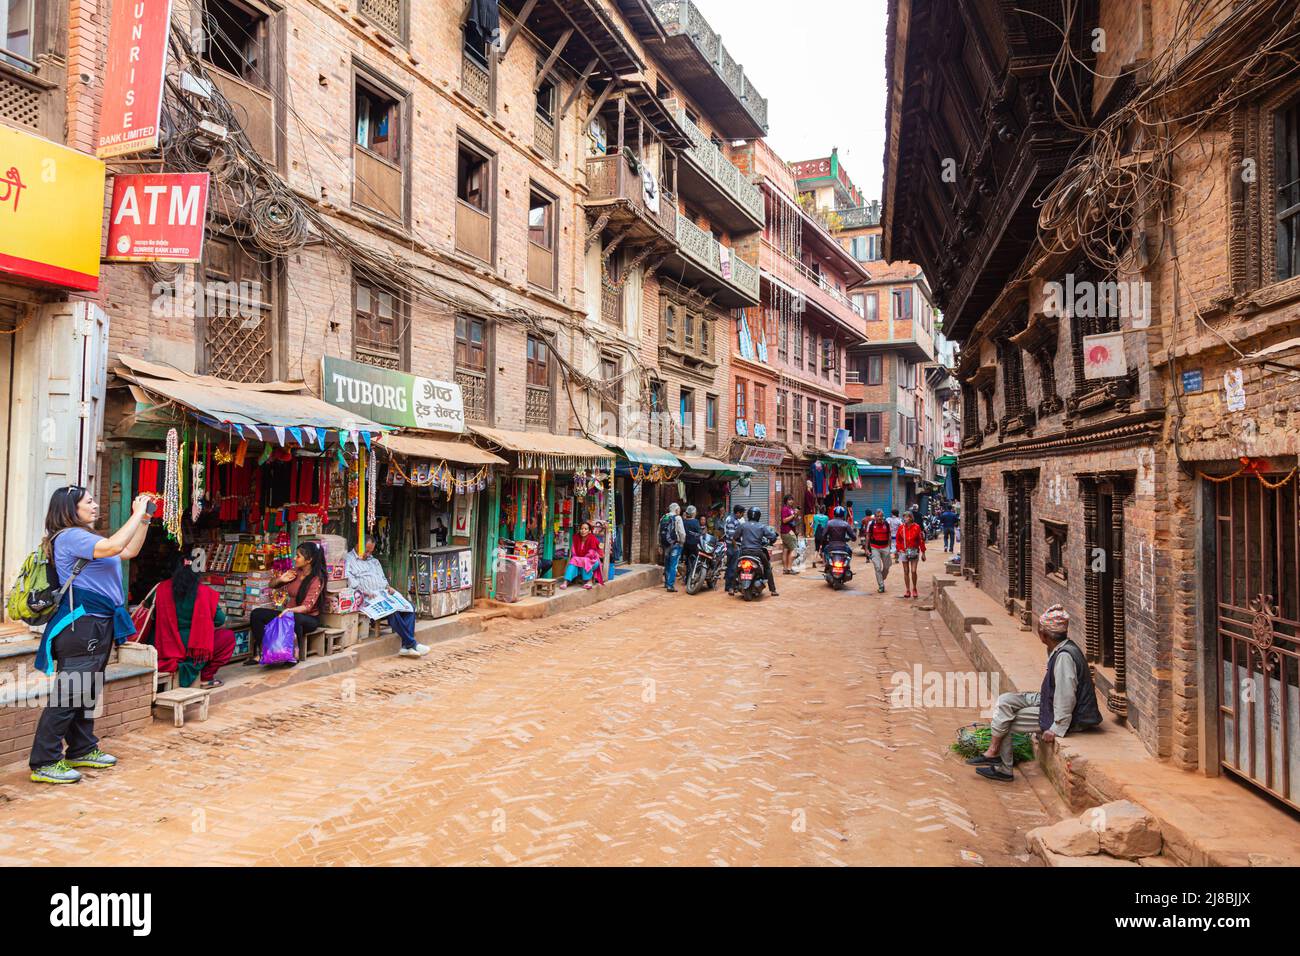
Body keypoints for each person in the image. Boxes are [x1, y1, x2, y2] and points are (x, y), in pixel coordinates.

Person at [29, 486, 154, 785]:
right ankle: (45, 761)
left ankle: (82, 748)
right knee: (69, 693)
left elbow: (128, 551)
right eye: (89, 502)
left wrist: (145, 519)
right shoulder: (71, 537)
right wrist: (135, 513)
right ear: (70, 509)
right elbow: (113, 547)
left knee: (85, 691)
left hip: (97, 624)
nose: (95, 506)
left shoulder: (87, 537)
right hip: (81, 625)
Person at [969, 605, 1103, 782]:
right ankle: (993, 752)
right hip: (1049, 699)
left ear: (1044, 635)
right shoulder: (1061, 648)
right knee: (1005, 701)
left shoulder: (1064, 657)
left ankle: (1004, 768)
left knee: (1007, 722)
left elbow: (1066, 696)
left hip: (1071, 714)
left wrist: (1056, 727)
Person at [154, 548, 237, 689]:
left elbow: (153, 615)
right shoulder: (205, 592)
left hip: (167, 648)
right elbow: (220, 620)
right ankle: (205, 677)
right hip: (196, 651)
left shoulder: (161, 589)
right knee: (227, 637)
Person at [345, 535, 429, 657]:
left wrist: (388, 587)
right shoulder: (349, 560)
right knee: (392, 611)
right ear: (359, 545)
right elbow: (350, 582)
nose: (368, 554)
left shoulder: (374, 561)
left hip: (383, 593)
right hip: (367, 597)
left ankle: (407, 646)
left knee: (409, 607)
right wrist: (363, 592)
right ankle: (411, 644)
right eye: (366, 551)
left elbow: (383, 579)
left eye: (370, 551)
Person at [248, 542, 326, 664]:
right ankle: (264, 651)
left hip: (308, 619)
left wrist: (290, 610)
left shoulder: (317, 579)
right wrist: (281, 579)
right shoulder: (295, 572)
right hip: (287, 615)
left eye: (298, 556)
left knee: (295, 618)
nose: (295, 558)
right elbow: (271, 585)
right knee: (257, 614)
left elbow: (307, 607)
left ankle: (293, 655)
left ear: (309, 560)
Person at [731, 507, 779, 597]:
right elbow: (772, 537)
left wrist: (738, 544)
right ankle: (773, 590)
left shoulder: (743, 525)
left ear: (748, 515)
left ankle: (732, 588)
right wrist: (772, 540)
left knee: (736, 567)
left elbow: (735, 537)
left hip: (744, 552)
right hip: (757, 552)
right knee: (767, 567)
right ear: (758, 516)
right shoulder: (762, 526)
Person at [559, 521, 602, 590]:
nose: (583, 531)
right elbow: (574, 552)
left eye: (585, 529)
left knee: (585, 560)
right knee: (573, 560)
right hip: (579, 560)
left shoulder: (592, 538)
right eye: (582, 529)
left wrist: (580, 558)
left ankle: (589, 581)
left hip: (592, 561)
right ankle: (566, 582)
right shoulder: (576, 538)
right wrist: (579, 558)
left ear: (589, 531)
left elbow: (591, 554)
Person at [895, 510, 926, 599]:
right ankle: (908, 590)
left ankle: (914, 588)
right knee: (906, 571)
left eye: (907, 517)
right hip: (904, 551)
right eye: (904, 517)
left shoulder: (917, 527)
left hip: (914, 551)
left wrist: (923, 552)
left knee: (913, 571)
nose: (905, 519)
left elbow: (920, 540)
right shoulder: (901, 528)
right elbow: (898, 540)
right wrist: (899, 549)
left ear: (911, 518)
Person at [862, 508, 894, 593]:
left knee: (887, 567)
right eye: (878, 516)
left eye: (881, 516)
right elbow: (868, 536)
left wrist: (890, 547)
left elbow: (889, 535)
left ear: (883, 516)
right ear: (875, 517)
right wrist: (866, 549)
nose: (879, 518)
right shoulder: (871, 524)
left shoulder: (887, 524)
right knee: (877, 567)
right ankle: (881, 585)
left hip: (885, 547)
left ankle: (881, 578)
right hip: (874, 547)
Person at [659, 502, 686, 593]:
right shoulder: (678, 518)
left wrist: (659, 544)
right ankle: (670, 586)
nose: (680, 511)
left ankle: (666, 582)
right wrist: (682, 542)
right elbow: (681, 532)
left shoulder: (664, 517)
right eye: (678, 509)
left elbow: (659, 531)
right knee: (673, 564)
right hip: (675, 544)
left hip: (665, 544)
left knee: (667, 563)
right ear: (676, 509)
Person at [723, 504, 745, 594]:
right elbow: (732, 536)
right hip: (732, 546)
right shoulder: (732, 520)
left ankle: (729, 586)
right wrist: (736, 547)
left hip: (731, 545)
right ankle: (730, 587)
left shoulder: (732, 518)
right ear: (738, 513)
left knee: (731, 566)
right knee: (733, 567)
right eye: (742, 513)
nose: (743, 515)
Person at [778, 495, 800, 574]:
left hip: (788, 531)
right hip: (787, 532)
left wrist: (795, 514)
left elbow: (793, 519)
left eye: (792, 500)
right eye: (789, 500)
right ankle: (789, 569)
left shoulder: (790, 509)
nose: (791, 501)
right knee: (794, 551)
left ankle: (785, 569)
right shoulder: (785, 509)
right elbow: (784, 520)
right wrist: (793, 515)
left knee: (786, 550)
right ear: (786, 501)